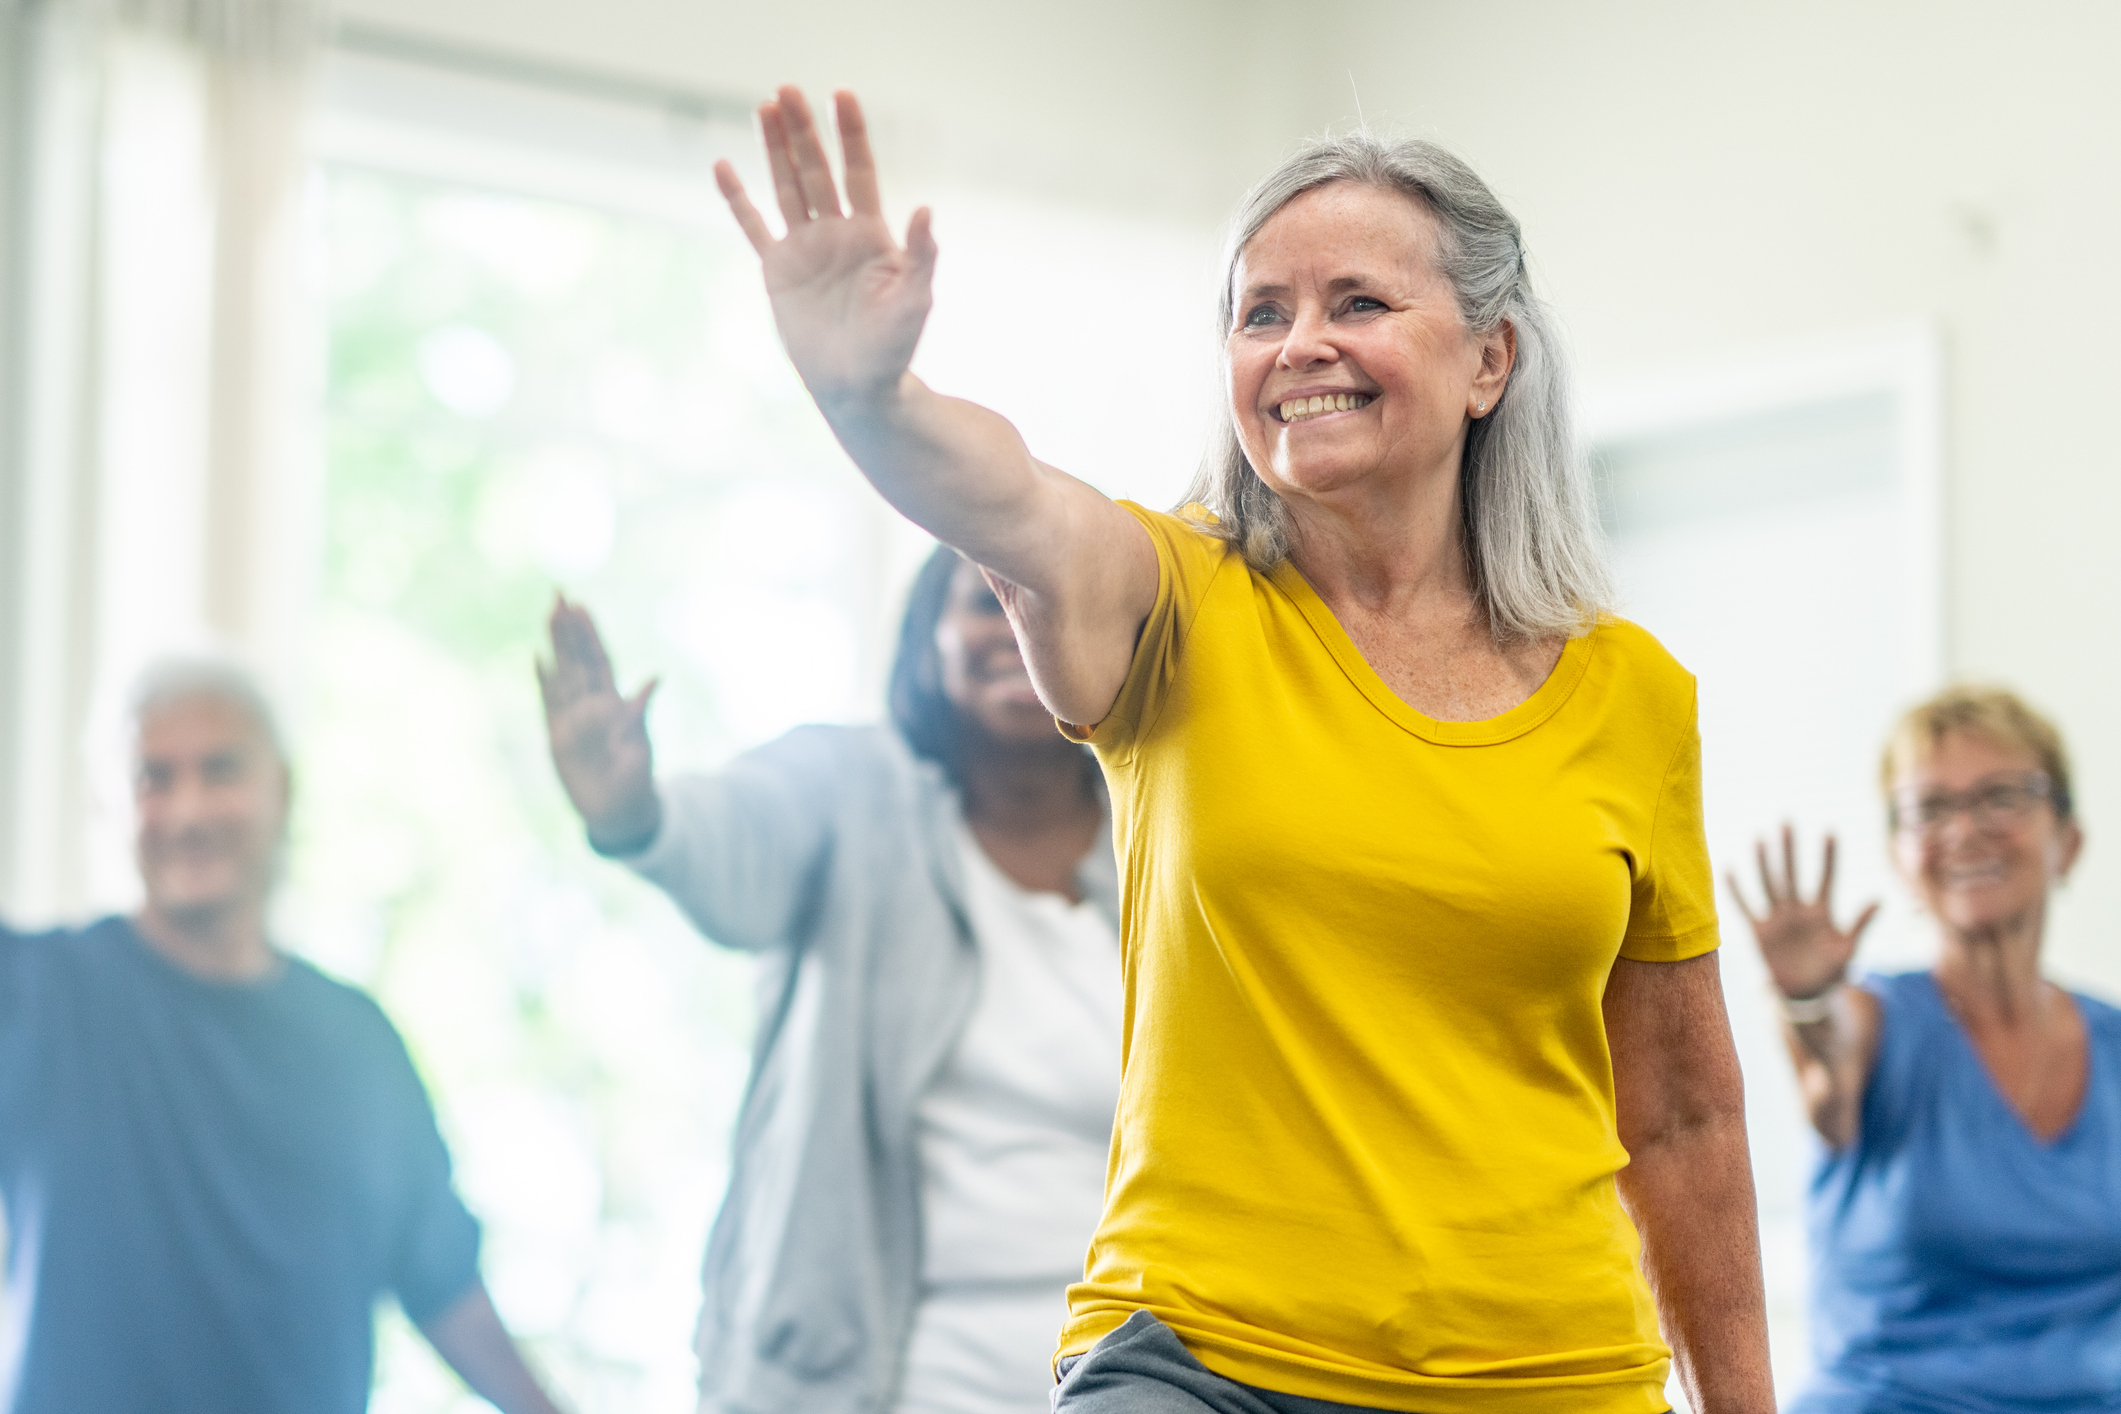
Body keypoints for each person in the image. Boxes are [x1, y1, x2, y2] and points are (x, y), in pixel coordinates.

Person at [709, 87, 1773, 1414]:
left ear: (1489, 359)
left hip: (1548, 1373)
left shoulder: (1633, 695)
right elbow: (1013, 504)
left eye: (1356, 303)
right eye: (1259, 311)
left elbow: (1679, 1114)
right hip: (1204, 1361)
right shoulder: (1174, 595)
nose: (1298, 342)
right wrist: (870, 399)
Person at [537, 549, 1121, 1414]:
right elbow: (735, 843)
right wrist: (633, 811)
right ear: (927, 637)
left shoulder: (1168, 837)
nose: (1022, 628)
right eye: (986, 602)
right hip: (874, 1386)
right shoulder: (850, 789)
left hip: (1124, 1386)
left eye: (1058, 601)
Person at [0, 658, 566, 1414]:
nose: (188, 810)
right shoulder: (40, 994)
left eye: (220, 770)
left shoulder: (357, 1046)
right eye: (153, 779)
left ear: (283, 790)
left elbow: (444, 1286)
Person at [1729, 686, 2121, 1413]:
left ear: (2066, 839)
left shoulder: (2113, 1043)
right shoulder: (1870, 1020)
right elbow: (1825, 1064)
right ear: (1901, 858)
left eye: (2001, 797)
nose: (1964, 831)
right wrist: (1807, 999)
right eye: (1929, 809)